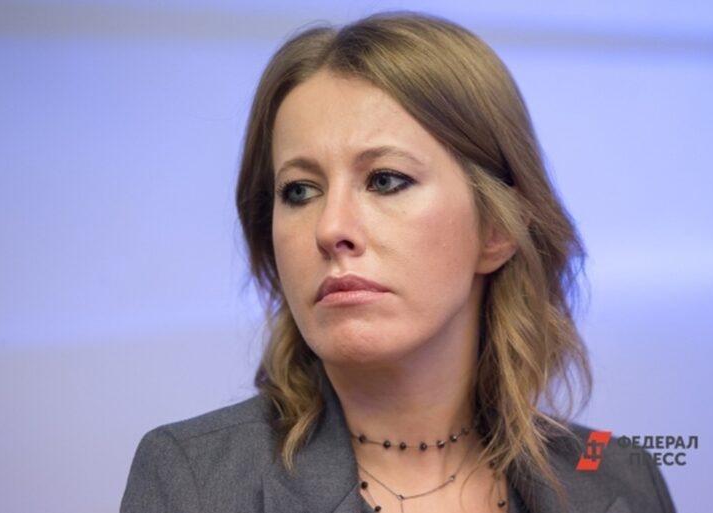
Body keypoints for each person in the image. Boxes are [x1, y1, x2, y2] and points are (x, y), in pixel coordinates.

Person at [121, 12, 676, 513]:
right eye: (299, 190)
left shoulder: (620, 477)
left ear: (498, 228)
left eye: (385, 180)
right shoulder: (192, 481)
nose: (330, 228)